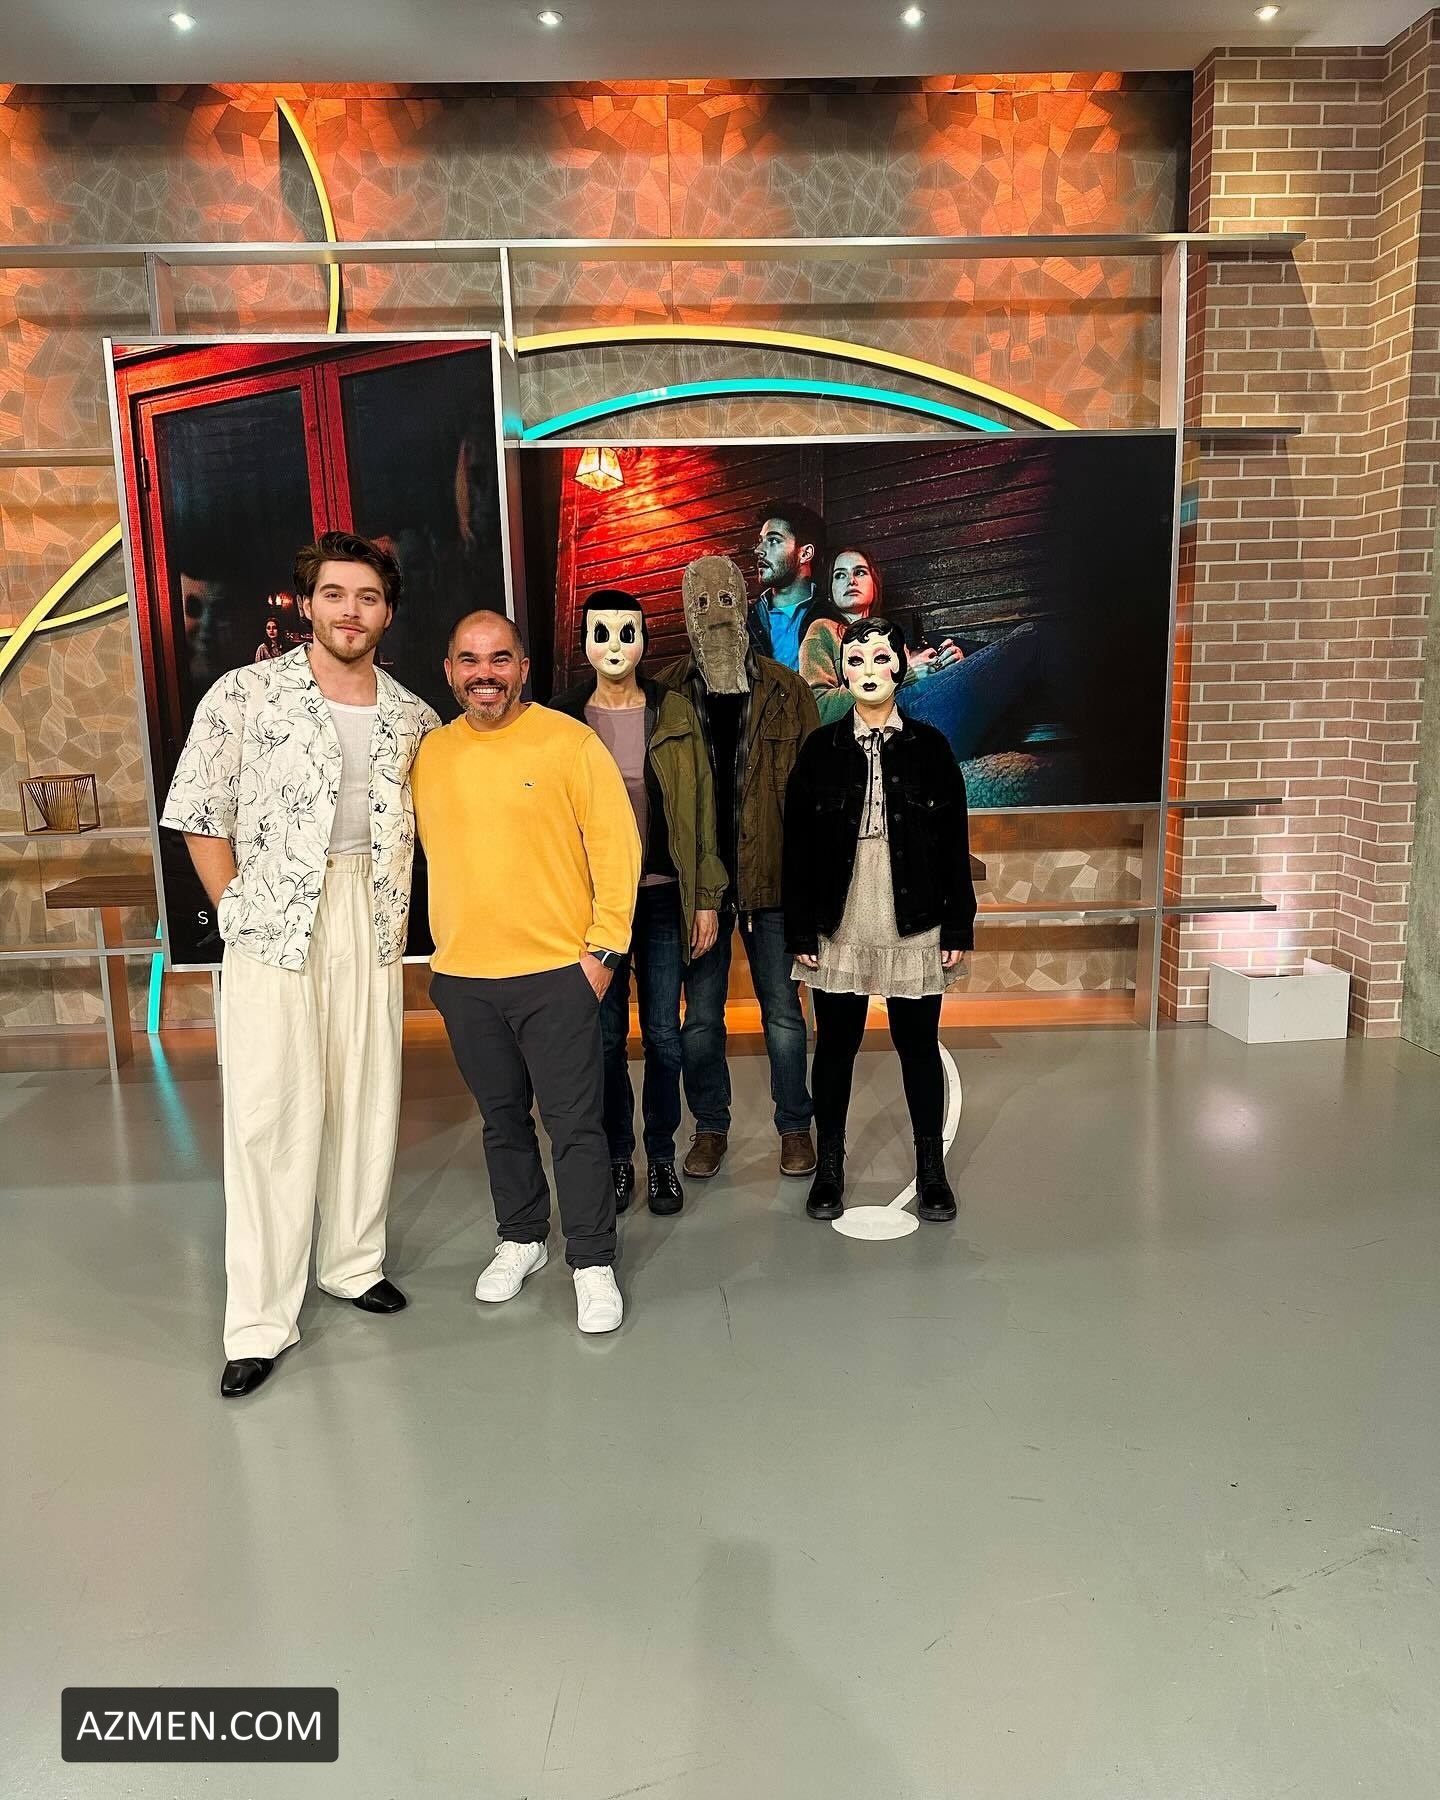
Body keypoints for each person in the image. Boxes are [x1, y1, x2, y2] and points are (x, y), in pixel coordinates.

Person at [161, 530, 440, 1400]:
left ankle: (352, 1264)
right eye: (335, 594)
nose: (351, 611)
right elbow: (201, 811)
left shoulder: (414, 718)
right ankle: (258, 1321)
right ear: (308, 604)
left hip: (370, 913)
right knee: (270, 1114)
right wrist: (236, 905)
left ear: (388, 613)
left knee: (366, 1094)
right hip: (274, 918)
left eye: (368, 597)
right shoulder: (244, 694)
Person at [412, 609, 641, 1334]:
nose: (485, 673)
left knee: (575, 1125)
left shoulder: (570, 743)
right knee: (501, 1121)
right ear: (449, 671)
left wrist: (603, 954)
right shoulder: (429, 755)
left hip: (557, 976)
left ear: (523, 668)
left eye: (500, 659)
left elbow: (617, 848)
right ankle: (522, 1238)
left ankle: (592, 1260)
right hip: (465, 979)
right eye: (470, 660)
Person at [783, 615, 978, 1222]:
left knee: (916, 1047)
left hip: (913, 909)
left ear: (900, 666)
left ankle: (931, 1170)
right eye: (856, 660)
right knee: (834, 1049)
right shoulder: (819, 750)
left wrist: (958, 924)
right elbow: (797, 846)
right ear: (842, 672)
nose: (869, 671)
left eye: (881, 658)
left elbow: (953, 842)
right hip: (839, 912)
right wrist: (800, 926)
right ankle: (830, 1168)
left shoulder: (932, 747)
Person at [550, 590, 726, 1218]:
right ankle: (618, 1159)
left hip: (661, 899)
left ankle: (662, 1159)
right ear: (585, 642)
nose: (615, 646)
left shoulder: (674, 710)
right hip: (595, 906)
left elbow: (701, 809)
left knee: (663, 1037)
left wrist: (706, 898)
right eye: (602, 633)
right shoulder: (562, 718)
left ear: (645, 640)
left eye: (628, 633)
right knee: (603, 1041)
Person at [655, 555, 820, 1181]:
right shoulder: (665, 694)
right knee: (700, 1020)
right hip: (698, 890)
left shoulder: (787, 691)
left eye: (726, 599)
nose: (716, 615)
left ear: (744, 602)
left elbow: (812, 797)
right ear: (685, 614)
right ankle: (711, 1128)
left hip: (773, 884)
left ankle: (795, 1128)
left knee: (783, 1015)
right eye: (700, 604)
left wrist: (813, 894)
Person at [798, 544, 1042, 763]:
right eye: (840, 575)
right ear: (830, 591)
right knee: (1031, 636)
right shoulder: (823, 630)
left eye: (860, 572)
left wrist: (948, 668)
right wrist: (904, 672)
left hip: (922, 723)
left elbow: (917, 684)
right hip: (876, 736)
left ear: (875, 584)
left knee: (1026, 646)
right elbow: (817, 710)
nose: (851, 580)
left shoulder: (893, 638)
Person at [746, 501, 845, 671]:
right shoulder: (746, 621)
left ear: (805, 553)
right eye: (761, 541)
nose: (758, 550)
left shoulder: (831, 617)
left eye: (773, 540)